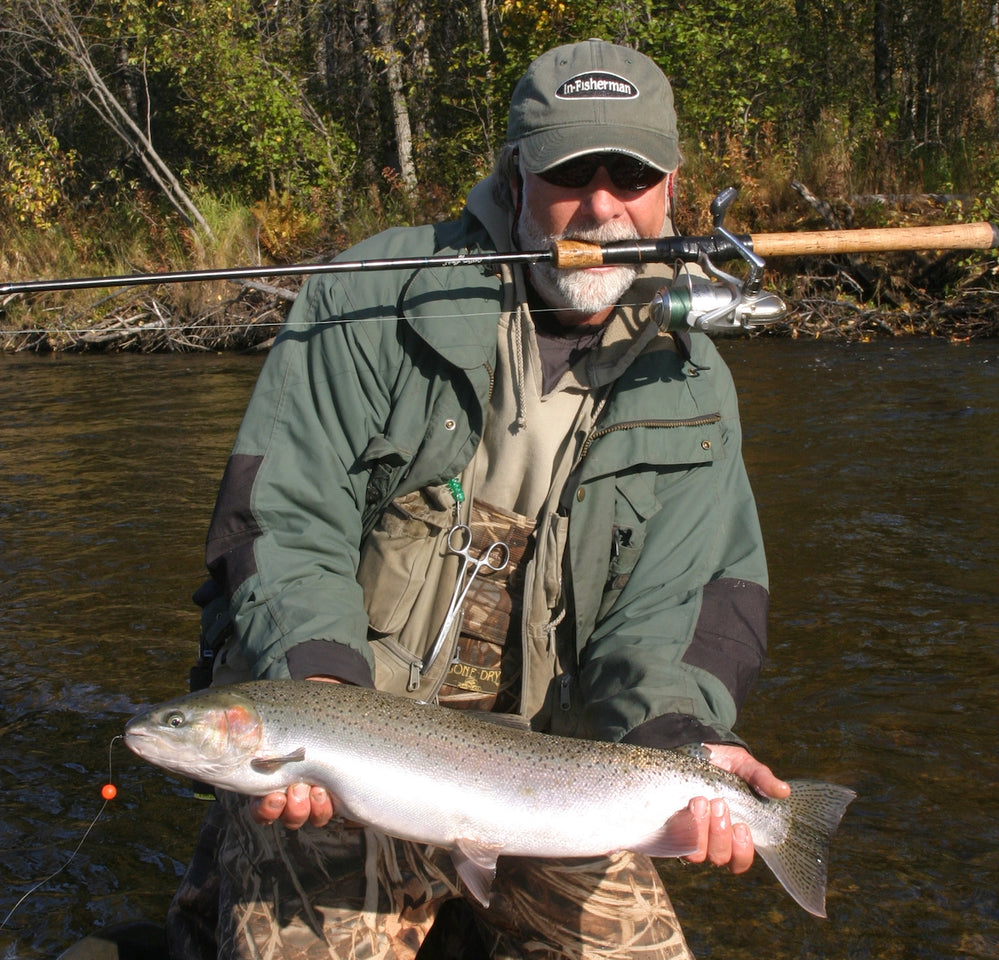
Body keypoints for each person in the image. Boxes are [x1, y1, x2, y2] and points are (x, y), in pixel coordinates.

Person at [167, 38, 789, 960]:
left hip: (541, 781)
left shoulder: (691, 382)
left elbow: (686, 605)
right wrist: (322, 694)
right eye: (573, 172)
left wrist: (682, 735)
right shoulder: (371, 299)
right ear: (516, 174)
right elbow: (284, 519)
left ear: (672, 191)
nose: (604, 205)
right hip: (351, 734)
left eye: (635, 175)